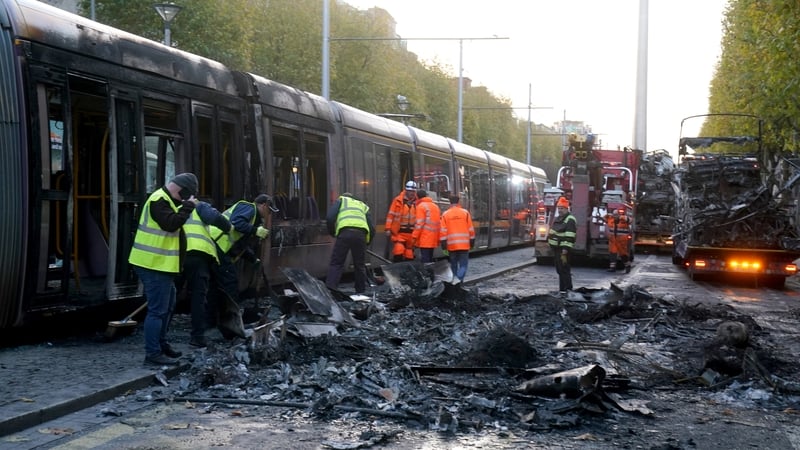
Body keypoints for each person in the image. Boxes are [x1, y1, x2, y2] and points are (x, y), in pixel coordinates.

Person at [128, 172, 198, 366]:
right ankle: (152, 353)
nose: (184, 200)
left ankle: (161, 345)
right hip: (152, 264)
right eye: (185, 196)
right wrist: (188, 207)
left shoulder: (166, 199)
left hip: (161, 265)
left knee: (167, 307)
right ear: (181, 190)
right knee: (158, 310)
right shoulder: (159, 200)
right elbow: (171, 224)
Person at [208, 194, 272, 333]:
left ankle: (211, 321)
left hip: (215, 246)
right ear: (263, 205)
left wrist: (253, 259)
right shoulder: (249, 208)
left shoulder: (252, 216)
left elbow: (240, 245)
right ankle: (232, 322)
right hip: (217, 245)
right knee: (230, 282)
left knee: (214, 286)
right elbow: (236, 223)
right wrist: (255, 230)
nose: (269, 214)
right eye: (269, 210)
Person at [178, 201, 231, 348]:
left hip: (175, 255)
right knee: (198, 298)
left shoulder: (171, 205)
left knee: (170, 297)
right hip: (197, 255)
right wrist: (229, 227)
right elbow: (216, 218)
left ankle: (159, 339)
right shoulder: (199, 206)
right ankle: (197, 337)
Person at [325, 192, 375, 293]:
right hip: (360, 235)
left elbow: (330, 218)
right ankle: (360, 292)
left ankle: (331, 290)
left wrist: (333, 232)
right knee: (359, 265)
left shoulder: (341, 200)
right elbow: (372, 228)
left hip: (345, 233)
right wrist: (367, 242)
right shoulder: (362, 205)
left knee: (337, 263)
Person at [439, 195, 475, 284]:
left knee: (453, 265)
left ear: (450, 202)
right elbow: (470, 229)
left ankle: (454, 283)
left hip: (452, 245)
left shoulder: (445, 214)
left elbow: (443, 231)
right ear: (459, 202)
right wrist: (472, 242)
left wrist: (444, 246)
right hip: (464, 245)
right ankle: (459, 280)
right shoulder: (465, 213)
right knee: (463, 265)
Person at [548, 196, 577, 295]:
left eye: (562, 208)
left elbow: (570, 235)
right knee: (560, 269)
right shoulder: (558, 218)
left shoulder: (570, 219)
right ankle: (562, 290)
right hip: (556, 248)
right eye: (559, 208)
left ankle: (568, 289)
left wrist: (565, 249)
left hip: (563, 249)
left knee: (564, 270)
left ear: (566, 208)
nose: (560, 210)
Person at [385, 180, 418, 261]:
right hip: (399, 232)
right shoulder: (398, 201)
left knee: (409, 254)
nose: (412, 193)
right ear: (406, 190)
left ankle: (407, 271)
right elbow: (391, 215)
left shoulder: (417, 202)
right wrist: (388, 228)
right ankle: (397, 268)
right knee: (398, 251)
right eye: (410, 191)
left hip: (412, 233)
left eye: (413, 191)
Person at [412, 189, 441, 263]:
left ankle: (427, 273)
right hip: (434, 237)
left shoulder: (421, 207)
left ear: (417, 197)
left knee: (425, 259)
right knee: (430, 257)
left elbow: (419, 224)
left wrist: (414, 237)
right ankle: (430, 272)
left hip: (425, 237)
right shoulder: (435, 206)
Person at [607, 207, 632, 273]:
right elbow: (604, 217)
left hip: (622, 242)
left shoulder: (624, 221)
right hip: (613, 241)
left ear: (619, 215)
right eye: (614, 215)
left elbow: (630, 220)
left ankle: (628, 267)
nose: (615, 216)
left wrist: (623, 217)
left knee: (623, 255)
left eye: (616, 215)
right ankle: (612, 268)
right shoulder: (611, 221)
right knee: (612, 254)